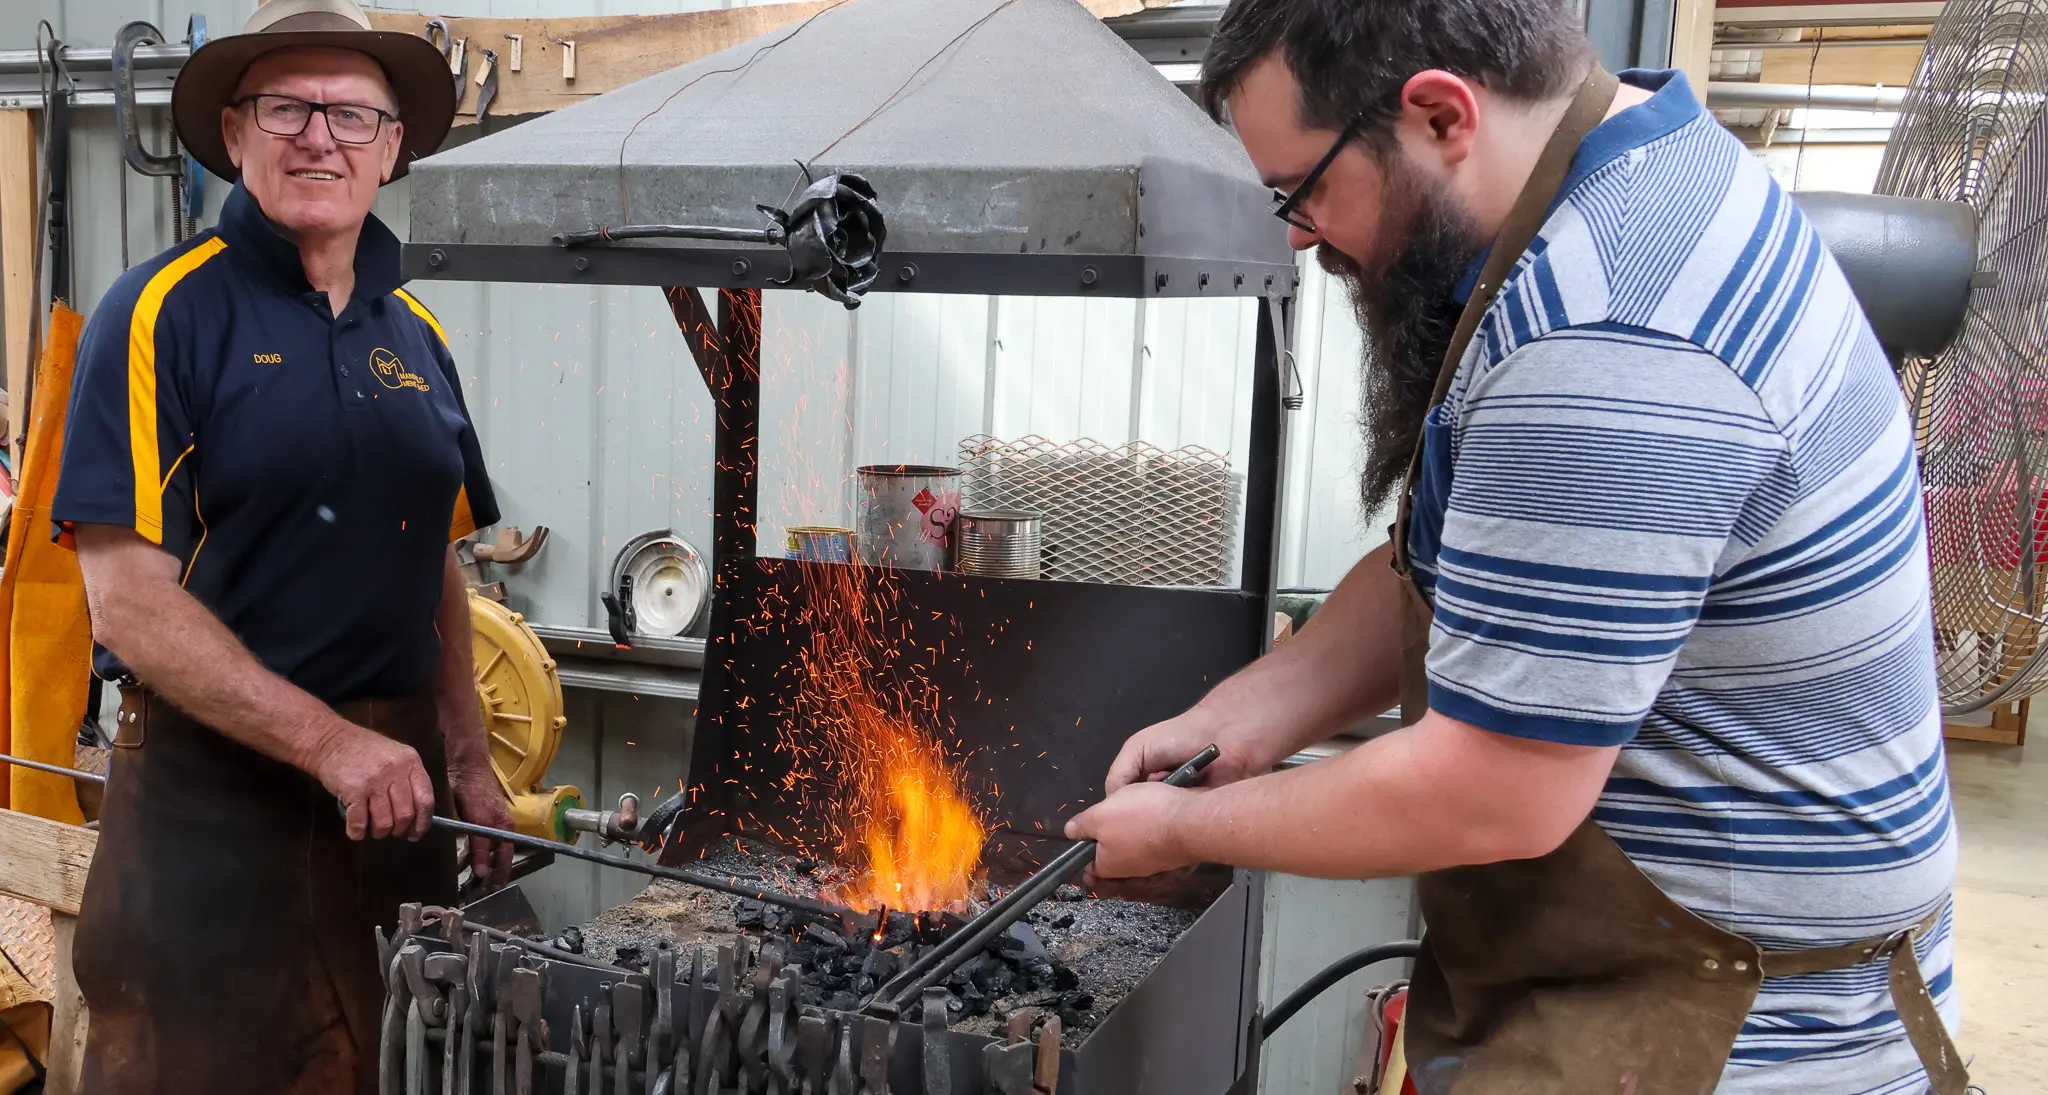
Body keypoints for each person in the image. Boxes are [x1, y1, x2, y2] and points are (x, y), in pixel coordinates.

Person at [1066, 2, 1964, 1092]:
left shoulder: (1604, 336)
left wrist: (1184, 827)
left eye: (1299, 192)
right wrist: (1237, 721)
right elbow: (1445, 566)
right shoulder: (1634, 165)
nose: (1297, 238)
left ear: (1441, 113)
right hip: (1649, 977)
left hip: (1729, 1031)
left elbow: (1492, 791)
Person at [51, 1, 513, 1090]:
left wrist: (468, 756)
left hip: (393, 809)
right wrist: (328, 745)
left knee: (397, 1069)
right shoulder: (160, 312)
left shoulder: (418, 337)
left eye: (352, 116)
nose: (319, 137)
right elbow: (125, 602)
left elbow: (433, 562)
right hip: (210, 814)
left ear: (393, 148)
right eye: (287, 109)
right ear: (236, 132)